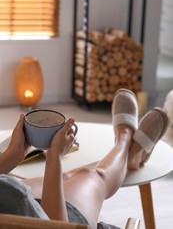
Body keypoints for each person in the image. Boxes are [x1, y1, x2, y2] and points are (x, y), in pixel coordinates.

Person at [0, 89, 168, 229]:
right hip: (31, 219)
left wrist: (11, 156)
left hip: (10, 202)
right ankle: (125, 142)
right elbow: (57, 227)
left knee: (67, 177)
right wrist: (54, 157)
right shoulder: (21, 197)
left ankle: (129, 155)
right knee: (93, 174)